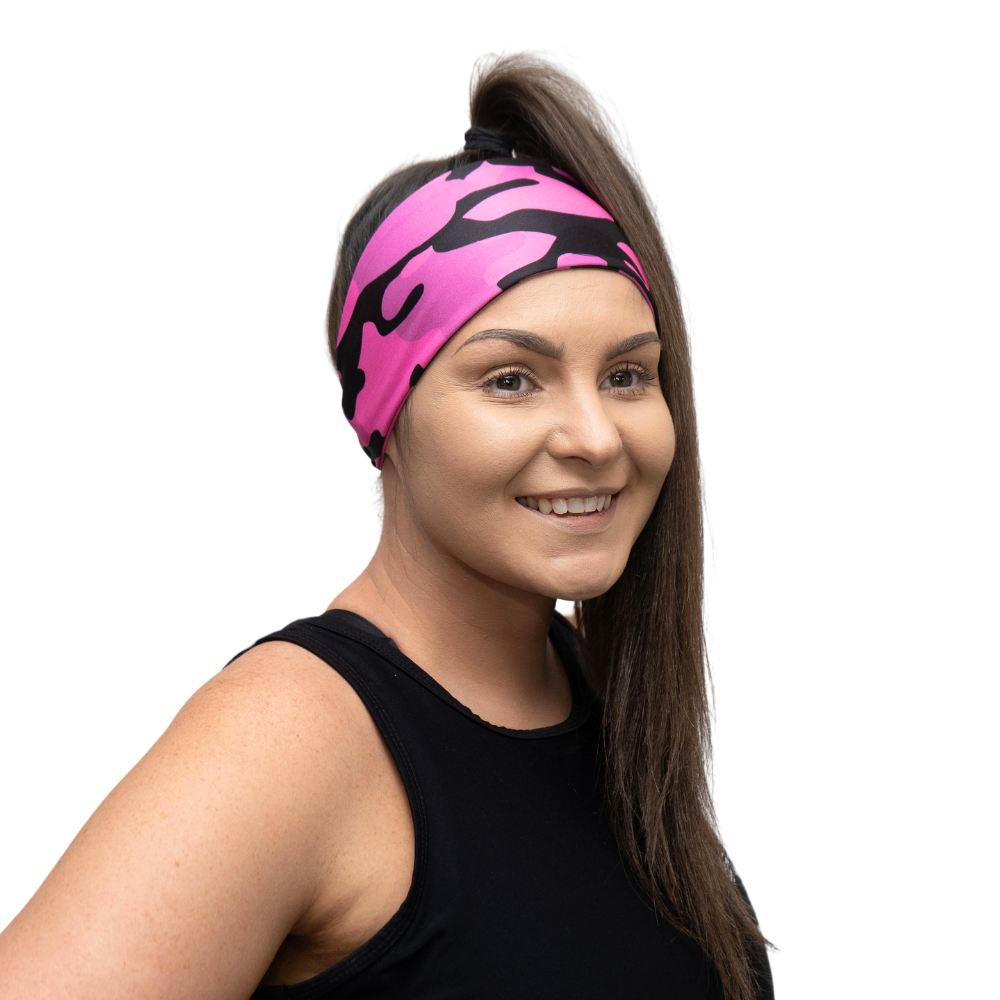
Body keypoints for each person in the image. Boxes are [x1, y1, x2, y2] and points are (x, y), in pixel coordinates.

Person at [0, 54, 772, 999]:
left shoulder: (603, 687)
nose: (595, 436)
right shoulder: (295, 737)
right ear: (386, 417)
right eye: (510, 379)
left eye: (626, 374)